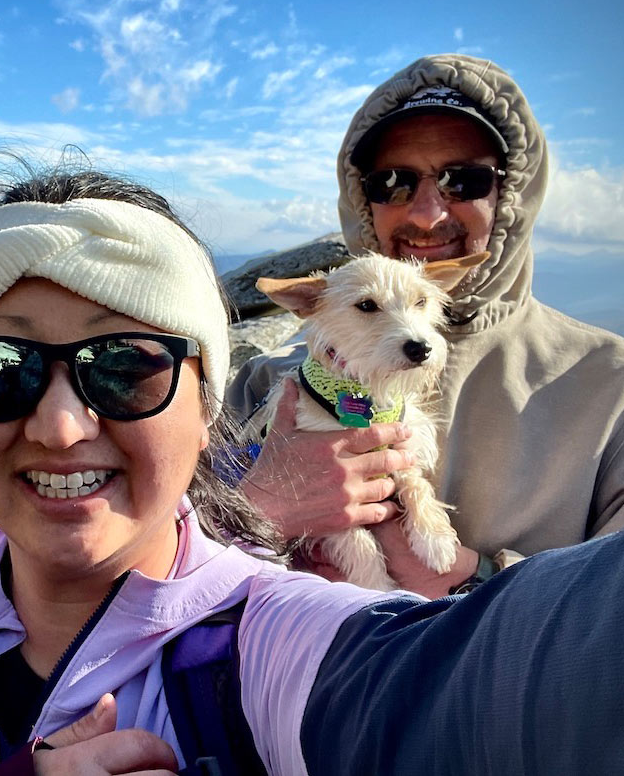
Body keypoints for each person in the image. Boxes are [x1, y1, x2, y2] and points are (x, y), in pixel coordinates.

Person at [0, 154, 624, 776]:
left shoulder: (273, 636)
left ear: (208, 402)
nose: (63, 426)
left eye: (127, 364)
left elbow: (492, 687)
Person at [228, 53, 624, 597]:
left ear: (511, 193)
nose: (426, 214)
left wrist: (473, 581)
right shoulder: (263, 384)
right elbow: (163, 557)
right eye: (392, 183)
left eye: (464, 180)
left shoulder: (612, 388)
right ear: (360, 197)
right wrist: (260, 507)